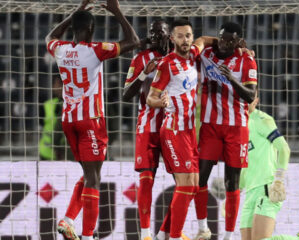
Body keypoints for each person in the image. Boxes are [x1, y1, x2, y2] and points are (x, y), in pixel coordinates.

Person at [45, 0, 139, 239]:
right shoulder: (95, 50)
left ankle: (68, 220)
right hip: (91, 121)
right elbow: (134, 41)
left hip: (69, 121)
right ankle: (87, 236)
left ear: (73, 29)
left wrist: (77, 12)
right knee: (94, 178)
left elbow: (49, 36)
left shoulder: (60, 49)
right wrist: (116, 11)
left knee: (88, 175)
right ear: (91, 30)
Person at [146, 18, 216, 240]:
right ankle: (174, 237)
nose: (185, 40)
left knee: (193, 186)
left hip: (188, 132)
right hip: (174, 129)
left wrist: (239, 47)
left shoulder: (193, 56)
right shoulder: (167, 64)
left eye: (188, 36)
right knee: (186, 185)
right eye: (180, 36)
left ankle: (164, 234)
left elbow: (204, 40)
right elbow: (150, 98)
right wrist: (162, 103)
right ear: (172, 38)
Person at [193, 22, 257, 240]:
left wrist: (232, 79)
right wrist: (212, 40)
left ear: (238, 42)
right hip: (210, 126)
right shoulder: (206, 54)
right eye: (222, 38)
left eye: (230, 40)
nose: (224, 43)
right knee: (200, 178)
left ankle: (229, 236)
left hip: (236, 128)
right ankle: (203, 228)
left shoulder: (246, 60)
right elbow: (198, 41)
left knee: (232, 182)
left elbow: (250, 95)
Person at [239, 94, 299, 240]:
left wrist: (278, 180)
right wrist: (234, 193)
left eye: (250, 97)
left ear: (257, 100)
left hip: (267, 188)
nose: (245, 100)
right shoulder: (237, 126)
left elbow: (284, 149)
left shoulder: (262, 120)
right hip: (250, 192)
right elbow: (245, 165)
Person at [122, 19, 170, 240]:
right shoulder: (140, 58)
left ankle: (167, 232)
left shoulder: (181, 57)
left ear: (169, 34)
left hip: (174, 126)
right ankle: (146, 234)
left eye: (160, 33)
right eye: (152, 33)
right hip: (148, 125)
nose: (155, 37)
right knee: (146, 179)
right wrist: (143, 73)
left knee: (187, 181)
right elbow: (126, 94)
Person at [39, 76, 65, 160]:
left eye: (58, 84)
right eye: (55, 84)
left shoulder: (73, 105)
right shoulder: (47, 105)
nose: (55, 87)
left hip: (65, 154)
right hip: (46, 153)